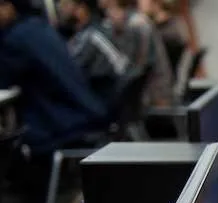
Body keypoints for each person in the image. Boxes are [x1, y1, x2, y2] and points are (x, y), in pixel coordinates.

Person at [0, 0, 106, 155]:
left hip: (61, 128)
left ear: (9, 6)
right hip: (84, 116)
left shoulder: (15, 40)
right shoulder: (38, 27)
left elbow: (3, 82)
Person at [104, 0, 172, 106]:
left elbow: (136, 68)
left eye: (110, 10)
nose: (108, 18)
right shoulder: (133, 22)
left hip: (154, 95)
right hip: (153, 91)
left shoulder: (137, 26)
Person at [57, 0, 127, 102]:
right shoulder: (90, 31)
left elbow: (65, 71)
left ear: (81, 9)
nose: (60, 8)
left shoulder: (92, 37)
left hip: (111, 102)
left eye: (66, 4)